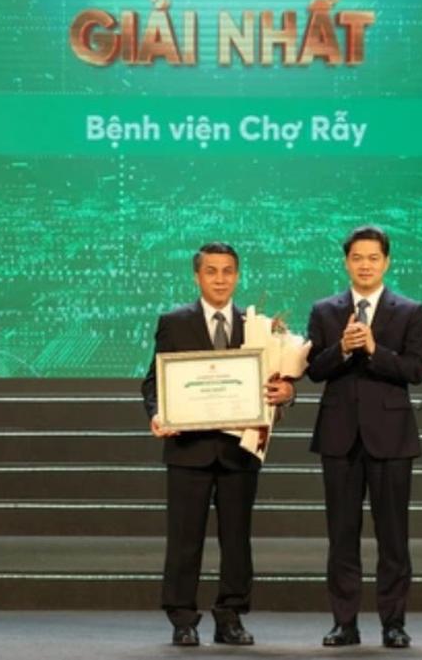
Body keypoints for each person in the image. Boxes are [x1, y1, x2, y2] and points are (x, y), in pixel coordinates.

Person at [140, 241, 295, 648]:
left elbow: (278, 382)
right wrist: (158, 413)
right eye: (211, 271)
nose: (220, 279)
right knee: (184, 539)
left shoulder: (258, 326)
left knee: (237, 540)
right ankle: (182, 620)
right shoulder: (174, 322)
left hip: (239, 451)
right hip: (188, 450)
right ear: (197, 276)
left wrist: (287, 393)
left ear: (237, 276)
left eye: (228, 271)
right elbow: (154, 381)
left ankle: (231, 617)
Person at [306, 225, 422, 649]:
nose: (365, 265)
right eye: (357, 258)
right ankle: (344, 623)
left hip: (391, 438)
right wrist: (342, 348)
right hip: (339, 437)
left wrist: (375, 351)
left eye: (373, 258)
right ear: (346, 262)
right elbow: (314, 370)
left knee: (393, 537)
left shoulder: (410, 311)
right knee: (341, 536)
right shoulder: (325, 311)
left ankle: (394, 623)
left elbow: (416, 370)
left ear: (386, 262)